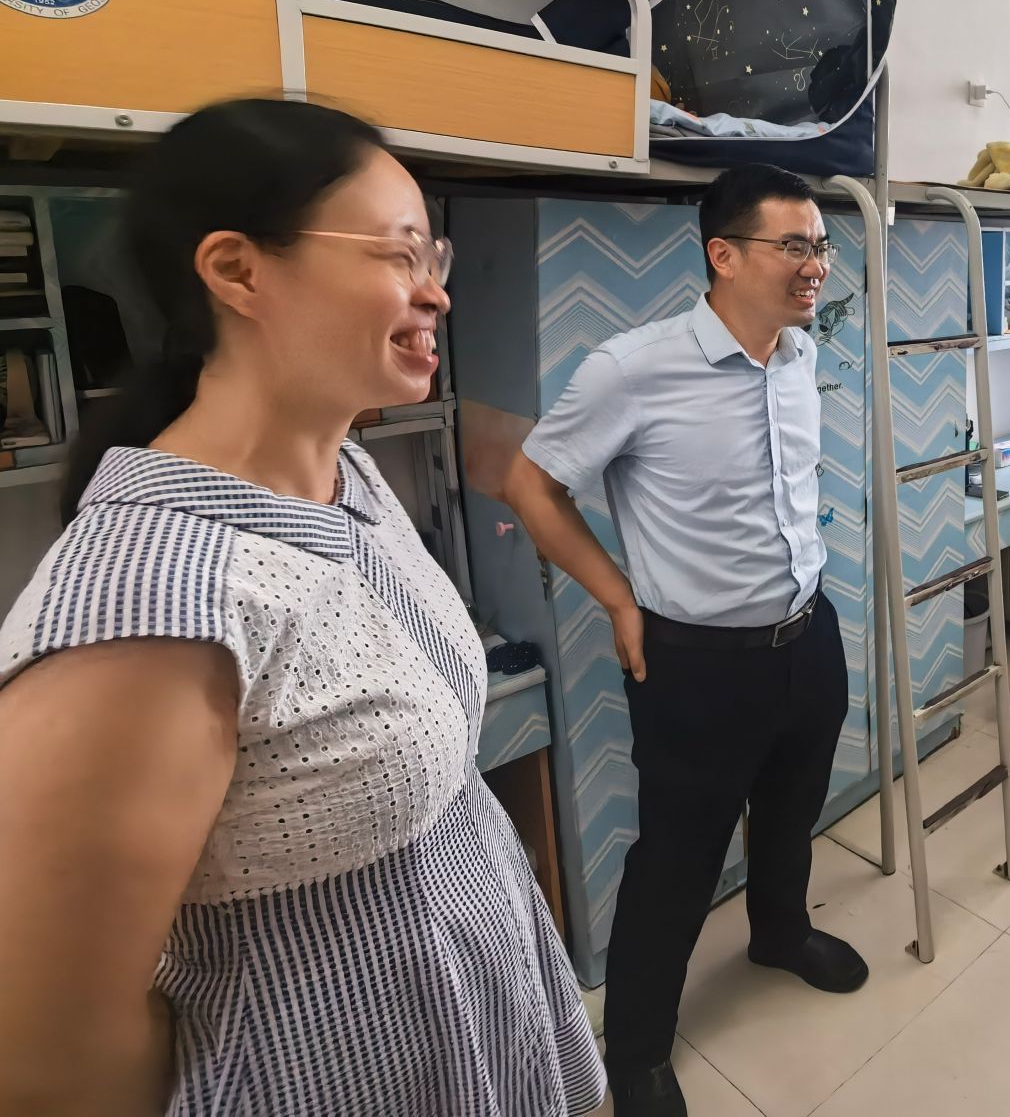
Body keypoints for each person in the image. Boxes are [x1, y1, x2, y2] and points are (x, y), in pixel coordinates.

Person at [0, 100, 603, 1117]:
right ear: (237, 270)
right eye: (399, 254)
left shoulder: (349, 480)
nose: (436, 292)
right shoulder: (151, 608)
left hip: (481, 1039)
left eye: (435, 256)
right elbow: (45, 1056)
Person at [503, 164, 866, 1117]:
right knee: (677, 856)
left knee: (791, 812)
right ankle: (635, 1048)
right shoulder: (633, 368)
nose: (816, 265)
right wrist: (619, 599)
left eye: (821, 246)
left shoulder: (797, 355)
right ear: (724, 255)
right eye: (795, 245)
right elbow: (530, 485)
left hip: (808, 637)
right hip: (697, 666)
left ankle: (779, 934)